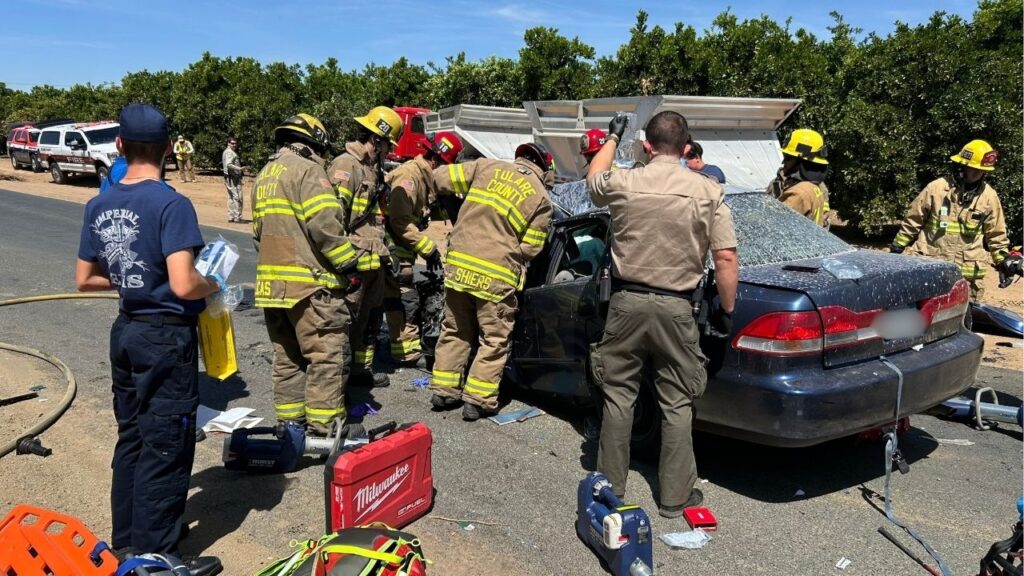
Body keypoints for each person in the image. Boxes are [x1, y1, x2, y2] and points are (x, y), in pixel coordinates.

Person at [75, 103, 222, 574]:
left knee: (133, 438)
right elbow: (183, 284)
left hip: (127, 331)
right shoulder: (171, 204)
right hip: (164, 336)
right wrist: (214, 283)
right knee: (166, 442)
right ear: (168, 148)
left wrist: (133, 279)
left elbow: (85, 279)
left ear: (119, 145)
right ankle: (155, 557)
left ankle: (127, 541)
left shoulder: (99, 204)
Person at [586, 111, 739, 518]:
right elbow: (725, 258)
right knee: (677, 401)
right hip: (678, 308)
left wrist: (612, 138)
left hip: (626, 304)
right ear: (687, 148)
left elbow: (593, 178)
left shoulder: (624, 181)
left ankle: (609, 493)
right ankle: (675, 498)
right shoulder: (709, 191)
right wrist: (727, 310)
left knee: (618, 396)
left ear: (647, 146)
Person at [252, 113, 360, 437]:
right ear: (314, 144)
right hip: (311, 286)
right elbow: (324, 225)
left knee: (288, 358)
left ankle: (290, 425)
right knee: (327, 357)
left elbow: (258, 234)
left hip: (273, 287)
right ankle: (325, 430)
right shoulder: (307, 170)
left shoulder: (264, 175)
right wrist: (349, 264)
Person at [429, 142, 554, 420]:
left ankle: (444, 391)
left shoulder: (486, 166)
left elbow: (440, 178)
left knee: (455, 329)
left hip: (459, 267)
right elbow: (531, 248)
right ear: (544, 169)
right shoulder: (541, 198)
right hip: (496, 277)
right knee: (493, 339)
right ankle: (477, 400)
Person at [327, 106, 404, 388]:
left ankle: (361, 370)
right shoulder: (346, 166)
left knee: (370, 320)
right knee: (345, 321)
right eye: (388, 145)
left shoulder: (374, 170)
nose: (389, 151)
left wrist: (389, 250)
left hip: (373, 261)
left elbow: (375, 220)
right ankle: (339, 379)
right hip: (354, 261)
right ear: (376, 139)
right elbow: (333, 218)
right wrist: (343, 262)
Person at [890, 139, 1016, 301]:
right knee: (922, 313)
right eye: (974, 169)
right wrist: (897, 249)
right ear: (961, 166)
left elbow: (996, 236)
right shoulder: (936, 189)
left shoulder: (988, 196)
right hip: (930, 270)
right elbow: (913, 221)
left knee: (962, 315)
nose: (978, 174)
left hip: (966, 278)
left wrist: (1004, 263)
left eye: (982, 170)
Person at [383, 131, 464, 365]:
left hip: (401, 247)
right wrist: (428, 248)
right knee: (403, 297)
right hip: (392, 247)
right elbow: (399, 220)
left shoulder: (421, 177)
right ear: (436, 161)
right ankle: (405, 354)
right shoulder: (409, 177)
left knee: (399, 295)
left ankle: (402, 349)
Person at [767, 129, 830, 227]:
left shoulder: (799, 193)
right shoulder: (815, 188)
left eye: (788, 158)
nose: (784, 162)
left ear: (801, 161)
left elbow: (774, 225)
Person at [222, 137, 244, 222]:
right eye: (232, 143)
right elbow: (229, 164)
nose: (234, 145)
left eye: (235, 143)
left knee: (231, 197)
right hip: (233, 178)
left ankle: (231, 216)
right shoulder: (229, 152)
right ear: (228, 143)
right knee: (237, 197)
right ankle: (237, 217)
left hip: (229, 177)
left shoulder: (227, 152)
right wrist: (240, 169)